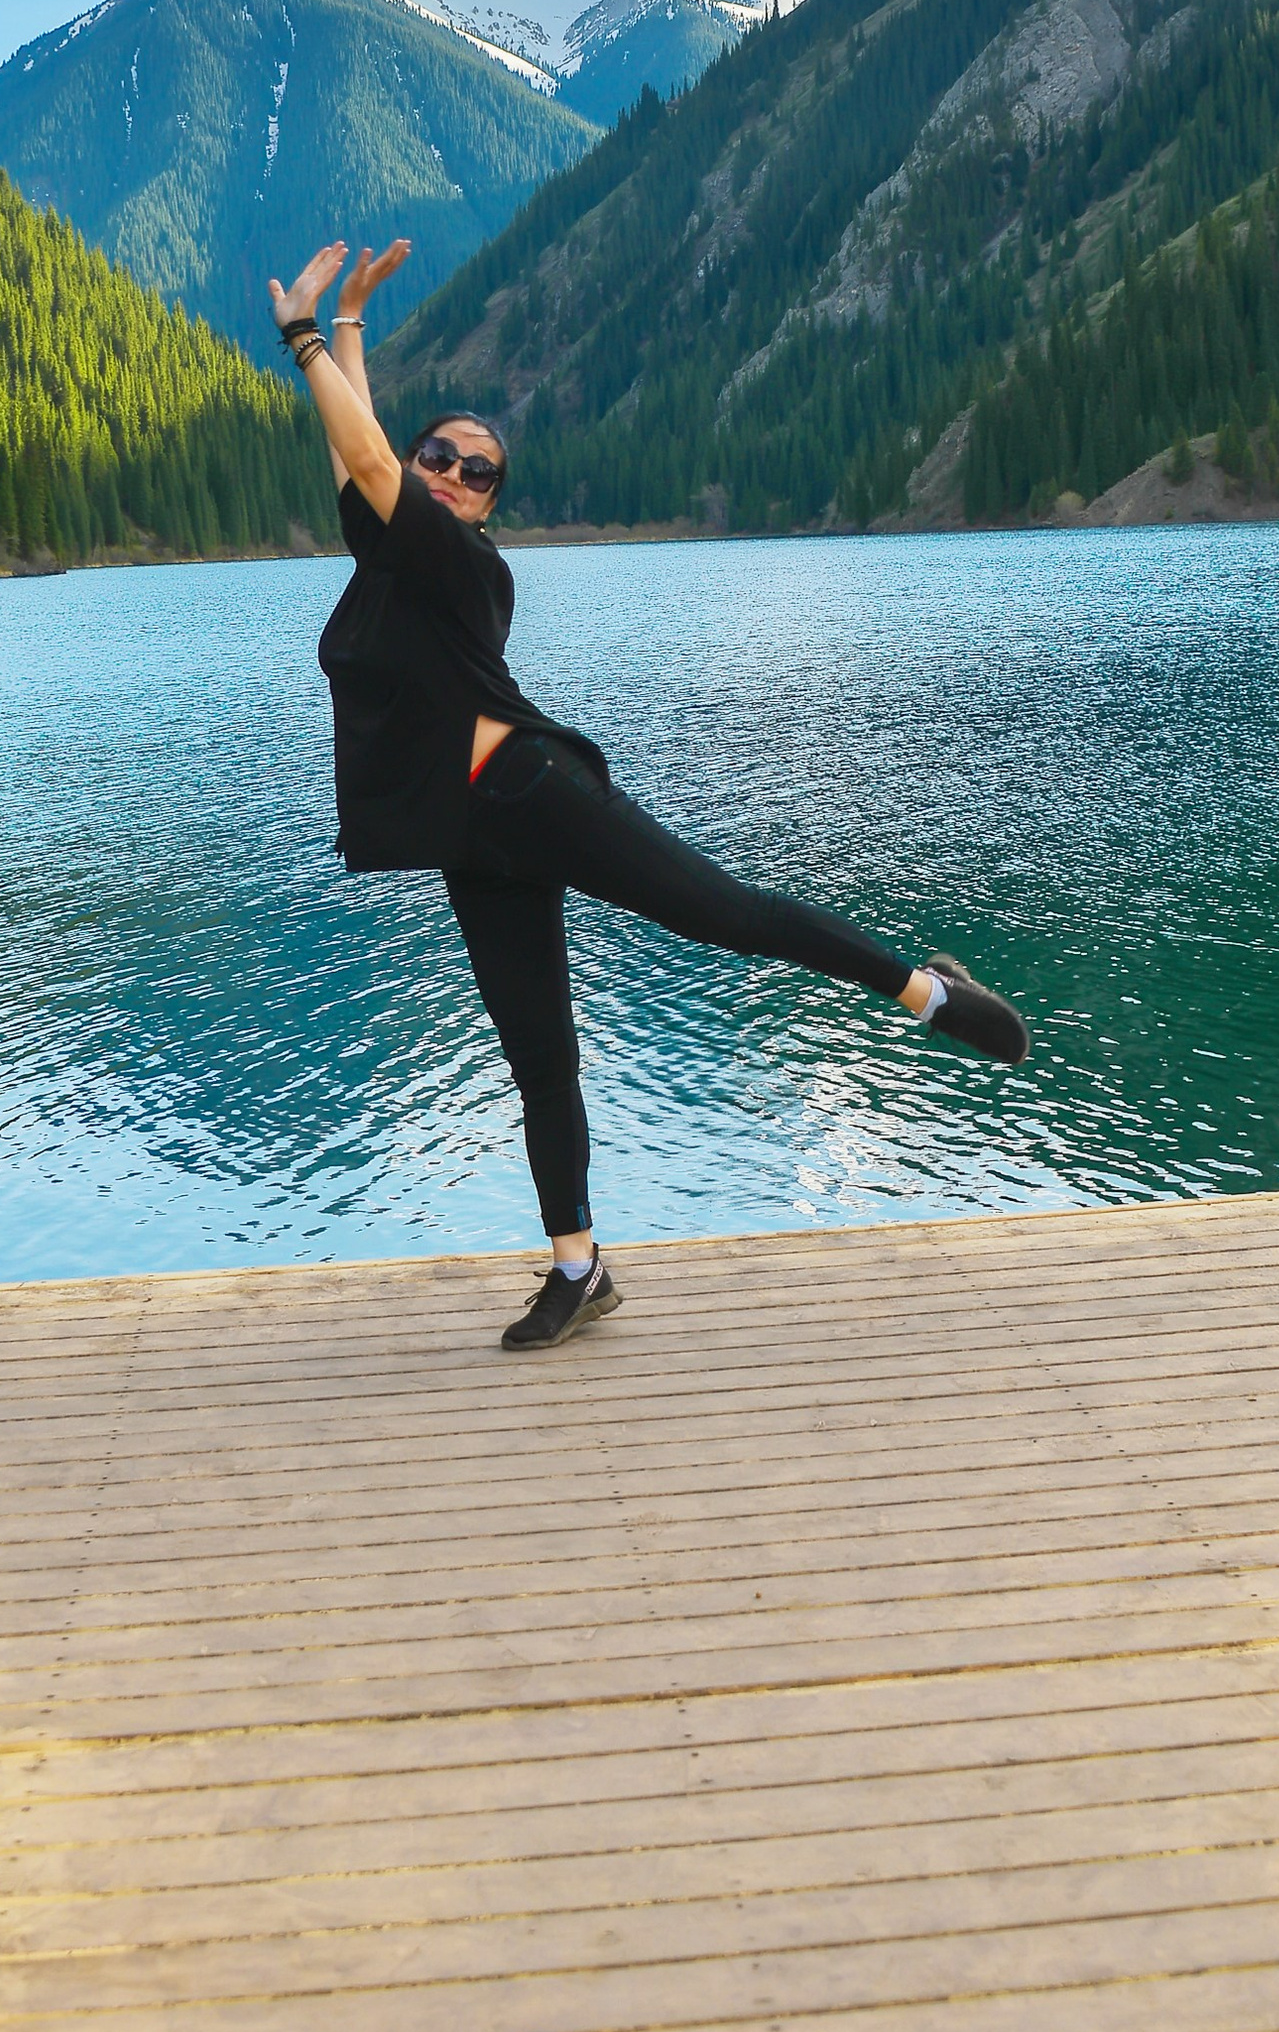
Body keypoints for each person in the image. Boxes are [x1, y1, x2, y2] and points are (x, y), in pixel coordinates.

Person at [269, 233, 1031, 1355]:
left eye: (479, 471)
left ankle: (923, 989)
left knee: (727, 918)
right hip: (469, 839)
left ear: (486, 508)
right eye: (443, 454)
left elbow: (370, 463)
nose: (453, 473)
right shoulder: (388, 554)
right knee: (537, 1054)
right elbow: (359, 467)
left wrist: (301, 338)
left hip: (529, 789)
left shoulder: (457, 562)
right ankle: (579, 1270)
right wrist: (350, 330)